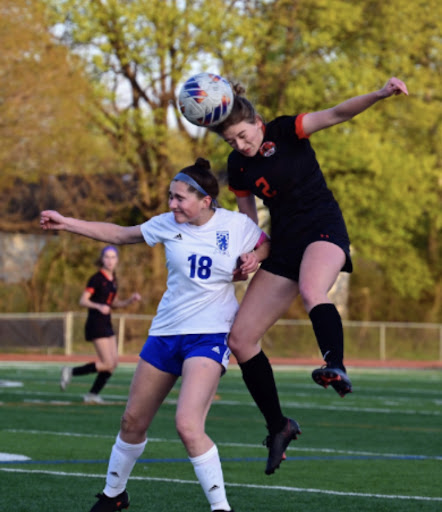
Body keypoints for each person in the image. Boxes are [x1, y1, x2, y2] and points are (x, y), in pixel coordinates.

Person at [40, 158, 270, 512]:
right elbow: (118, 233)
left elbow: (266, 243)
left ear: (206, 200)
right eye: (170, 196)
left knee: (187, 424)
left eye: (179, 198)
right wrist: (66, 223)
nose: (172, 204)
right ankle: (113, 495)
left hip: (208, 335)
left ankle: (221, 507)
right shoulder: (165, 224)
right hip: (165, 333)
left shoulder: (235, 224)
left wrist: (254, 256)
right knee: (132, 422)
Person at [210, 77, 408, 474]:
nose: (240, 145)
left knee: (312, 287)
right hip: (283, 245)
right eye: (231, 141)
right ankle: (278, 426)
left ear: (257, 120)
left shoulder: (288, 129)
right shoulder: (238, 167)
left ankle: (335, 363)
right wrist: (251, 254)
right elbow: (250, 221)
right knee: (240, 338)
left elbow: (337, 113)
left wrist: (379, 94)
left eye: (243, 136)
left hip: (323, 229)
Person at [60, 245, 141, 404]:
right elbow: (83, 300)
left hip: (107, 323)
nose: (110, 261)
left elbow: (113, 303)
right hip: (96, 323)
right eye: (107, 257)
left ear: (117, 260)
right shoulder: (96, 278)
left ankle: (92, 395)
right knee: (107, 363)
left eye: (113, 257)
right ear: (102, 259)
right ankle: (70, 371)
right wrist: (98, 306)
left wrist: (129, 301)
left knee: (113, 364)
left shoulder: (113, 280)